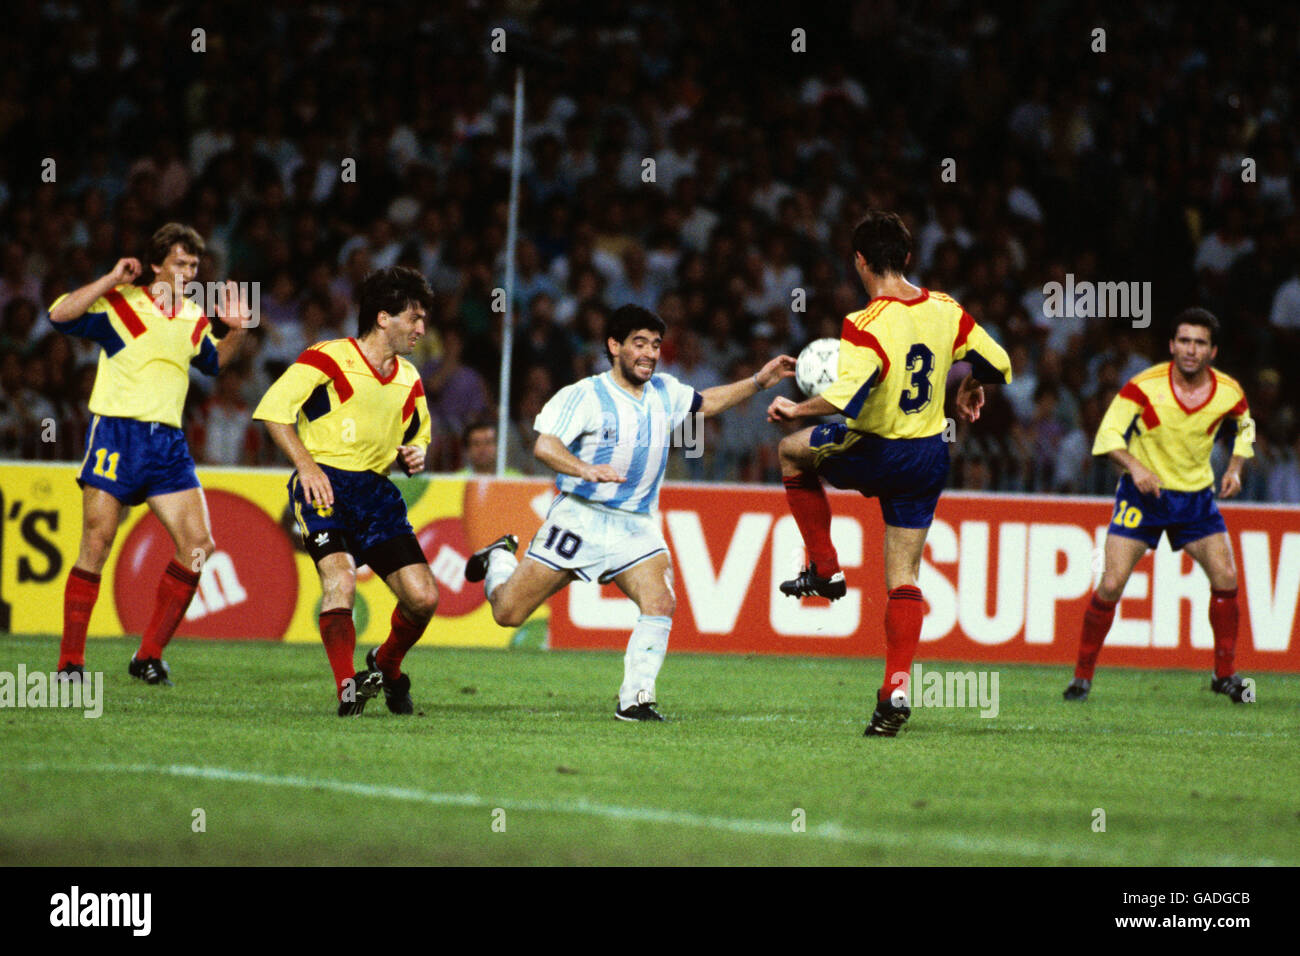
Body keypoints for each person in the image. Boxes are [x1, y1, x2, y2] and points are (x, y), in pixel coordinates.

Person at [464, 303, 795, 721]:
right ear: (614, 346)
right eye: (639, 343)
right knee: (507, 613)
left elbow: (705, 402)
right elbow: (544, 446)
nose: (650, 353)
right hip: (578, 518)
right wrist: (584, 468)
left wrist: (757, 382)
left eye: (656, 345)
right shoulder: (585, 394)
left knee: (660, 600)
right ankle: (498, 556)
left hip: (634, 524)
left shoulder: (666, 391)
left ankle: (636, 699)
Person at [766, 211, 1010, 736]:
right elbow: (1002, 364)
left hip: (875, 449)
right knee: (904, 576)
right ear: (907, 259)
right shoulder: (946, 309)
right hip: (927, 456)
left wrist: (795, 409)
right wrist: (967, 382)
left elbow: (846, 396)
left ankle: (826, 570)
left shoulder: (864, 324)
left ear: (859, 261)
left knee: (790, 451)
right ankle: (896, 687)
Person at [50, 222, 248, 684]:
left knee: (198, 547)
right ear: (156, 264)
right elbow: (60, 316)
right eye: (180, 263)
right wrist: (110, 278)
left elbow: (215, 363)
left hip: (167, 445)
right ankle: (70, 664)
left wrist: (238, 329)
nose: (188, 272)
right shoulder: (122, 304)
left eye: (194, 266)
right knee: (96, 545)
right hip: (116, 436)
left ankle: (148, 655)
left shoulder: (194, 317)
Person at [253, 266, 439, 716]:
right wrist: (307, 466)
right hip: (324, 487)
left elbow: (417, 434)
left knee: (423, 598)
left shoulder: (408, 377)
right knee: (340, 583)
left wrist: (414, 453)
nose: (421, 328)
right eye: (413, 318)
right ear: (382, 318)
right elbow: (275, 413)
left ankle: (387, 663)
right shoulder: (327, 357)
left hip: (376, 494)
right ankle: (348, 690)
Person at [1064, 308, 1255, 703]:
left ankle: (1225, 674)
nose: (1190, 349)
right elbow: (1108, 434)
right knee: (1112, 582)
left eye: (1200, 342)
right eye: (1184, 341)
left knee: (1226, 577)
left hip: (1196, 499)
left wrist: (1236, 467)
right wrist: (1135, 467)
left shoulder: (1229, 391)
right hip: (1143, 497)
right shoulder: (1143, 386)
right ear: (1171, 345)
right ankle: (1081, 678)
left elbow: (1244, 427)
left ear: (1213, 351)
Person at [457, 419, 521, 477]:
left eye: (488, 442)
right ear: (468, 450)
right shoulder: (457, 480)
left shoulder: (515, 480)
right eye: (476, 444)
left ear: (498, 447)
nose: (482, 449)